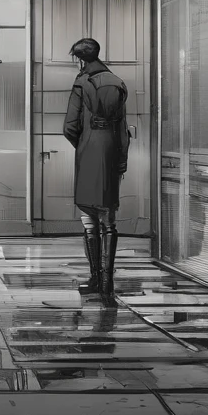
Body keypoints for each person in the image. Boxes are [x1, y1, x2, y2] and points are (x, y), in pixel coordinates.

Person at [63, 37, 131, 299]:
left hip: (89, 151)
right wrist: (121, 158)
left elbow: (70, 125)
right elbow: (123, 129)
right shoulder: (118, 82)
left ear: (80, 59)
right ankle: (107, 283)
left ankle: (94, 278)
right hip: (112, 152)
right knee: (109, 220)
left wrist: (83, 145)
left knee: (89, 219)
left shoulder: (82, 82)